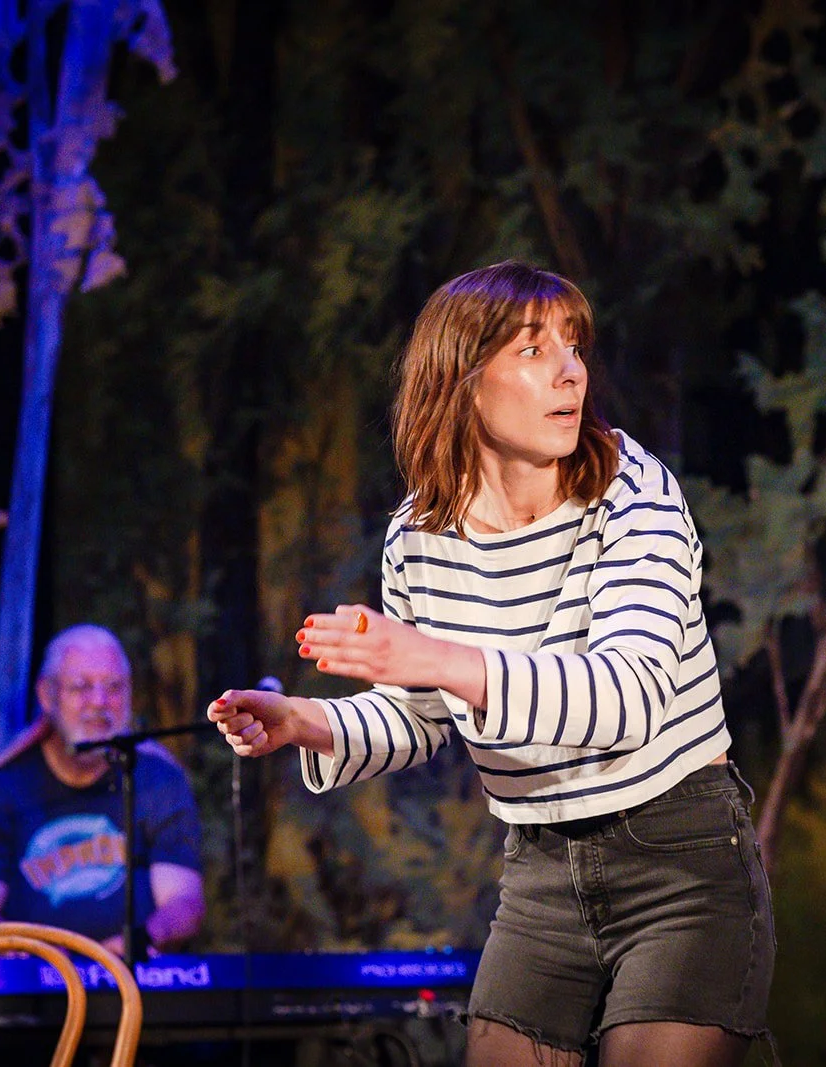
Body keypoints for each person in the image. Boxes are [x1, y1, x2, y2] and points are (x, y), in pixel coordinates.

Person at [207, 262, 777, 1067]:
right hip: (541, 872)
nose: (570, 370)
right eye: (534, 350)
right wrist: (308, 721)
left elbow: (628, 696)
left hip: (680, 862)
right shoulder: (420, 534)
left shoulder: (633, 493)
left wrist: (434, 655)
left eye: (574, 347)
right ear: (462, 381)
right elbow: (422, 712)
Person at [0, 624, 205, 956]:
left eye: (114, 688)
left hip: (136, 980)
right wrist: (24, 950)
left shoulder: (158, 779)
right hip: (31, 986)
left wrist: (138, 942)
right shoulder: (0, 787)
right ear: (47, 695)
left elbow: (183, 902)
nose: (99, 702)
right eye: (81, 687)